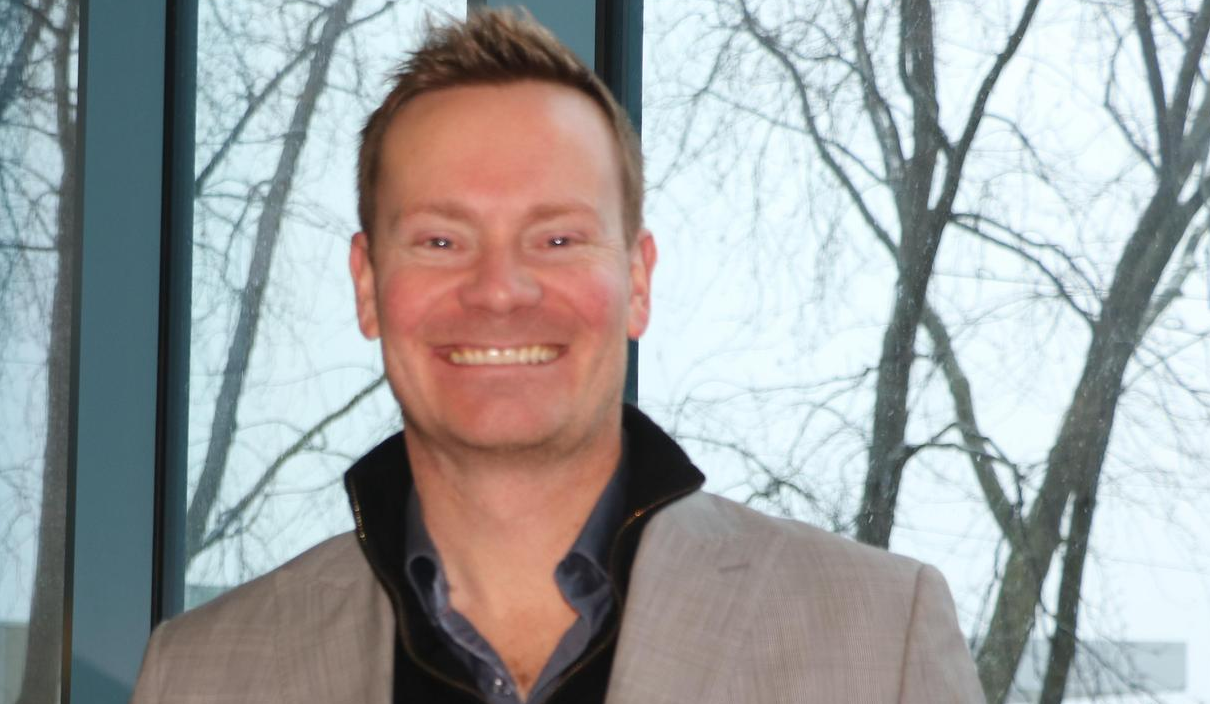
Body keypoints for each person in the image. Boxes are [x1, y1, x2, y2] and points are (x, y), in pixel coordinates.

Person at [132, 9, 982, 703]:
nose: (500, 291)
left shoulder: (881, 639)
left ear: (637, 281)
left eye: (558, 238)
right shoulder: (200, 676)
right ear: (367, 285)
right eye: (440, 240)